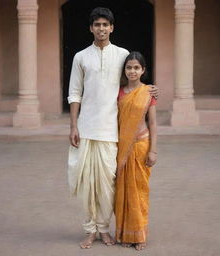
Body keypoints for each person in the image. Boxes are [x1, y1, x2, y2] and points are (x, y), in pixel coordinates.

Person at [67, 7, 158, 249]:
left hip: (111, 132)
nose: (101, 28)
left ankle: (104, 229)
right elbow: (75, 92)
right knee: (88, 185)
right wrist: (73, 125)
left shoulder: (122, 54)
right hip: (86, 128)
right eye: (97, 24)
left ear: (112, 28)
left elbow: (133, 81)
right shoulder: (80, 57)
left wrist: (149, 90)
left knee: (108, 186)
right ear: (91, 28)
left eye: (105, 24)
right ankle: (89, 230)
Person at [115, 51, 157, 251]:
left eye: (136, 67)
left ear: (143, 70)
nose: (132, 71)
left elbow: (153, 123)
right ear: (124, 70)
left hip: (141, 145)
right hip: (121, 147)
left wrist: (153, 151)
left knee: (139, 191)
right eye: (129, 67)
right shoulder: (118, 92)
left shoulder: (148, 92)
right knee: (122, 192)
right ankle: (125, 233)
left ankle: (139, 235)